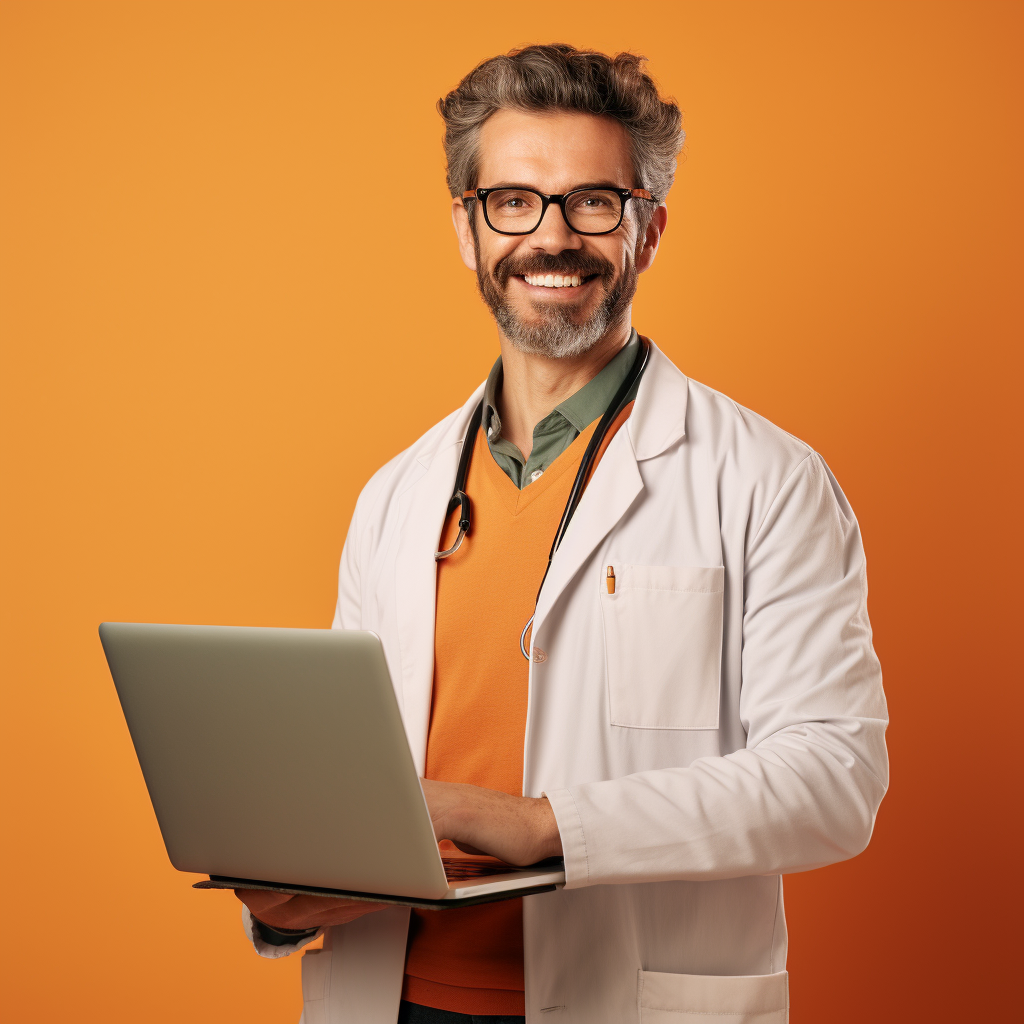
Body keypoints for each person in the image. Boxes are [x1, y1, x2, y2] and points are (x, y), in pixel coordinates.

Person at [235, 44, 888, 1024]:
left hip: (629, 1001)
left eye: (592, 202)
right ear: (466, 229)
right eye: (513, 201)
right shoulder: (395, 496)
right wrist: (287, 895)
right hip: (392, 995)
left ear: (647, 228)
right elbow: (357, 778)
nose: (550, 237)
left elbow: (832, 777)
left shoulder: (765, 479)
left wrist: (541, 825)